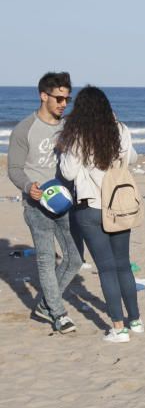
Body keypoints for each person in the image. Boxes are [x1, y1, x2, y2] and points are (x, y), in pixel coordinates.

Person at [56, 86, 141, 343]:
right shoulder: (121, 130)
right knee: (123, 265)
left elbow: (69, 173)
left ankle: (118, 328)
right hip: (118, 205)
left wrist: (62, 153)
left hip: (90, 207)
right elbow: (132, 159)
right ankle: (135, 321)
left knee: (106, 269)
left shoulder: (79, 135)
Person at [6, 72, 81, 334]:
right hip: (36, 205)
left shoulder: (68, 127)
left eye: (67, 99)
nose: (63, 103)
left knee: (75, 259)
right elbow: (14, 168)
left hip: (66, 203)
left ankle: (45, 304)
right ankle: (58, 314)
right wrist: (29, 187)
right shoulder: (23, 130)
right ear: (43, 96)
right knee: (47, 259)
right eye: (59, 98)